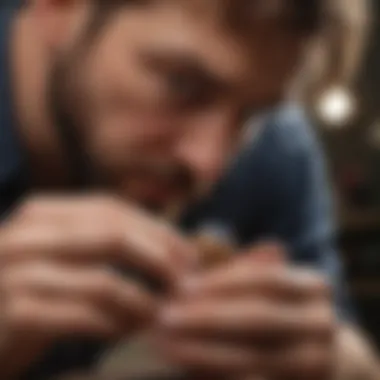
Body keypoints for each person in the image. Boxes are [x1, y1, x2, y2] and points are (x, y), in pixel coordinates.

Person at [0, 1, 377, 379]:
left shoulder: (275, 146)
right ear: (59, 8)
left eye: (253, 115)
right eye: (182, 84)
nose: (209, 164)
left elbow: (354, 356)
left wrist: (326, 360)